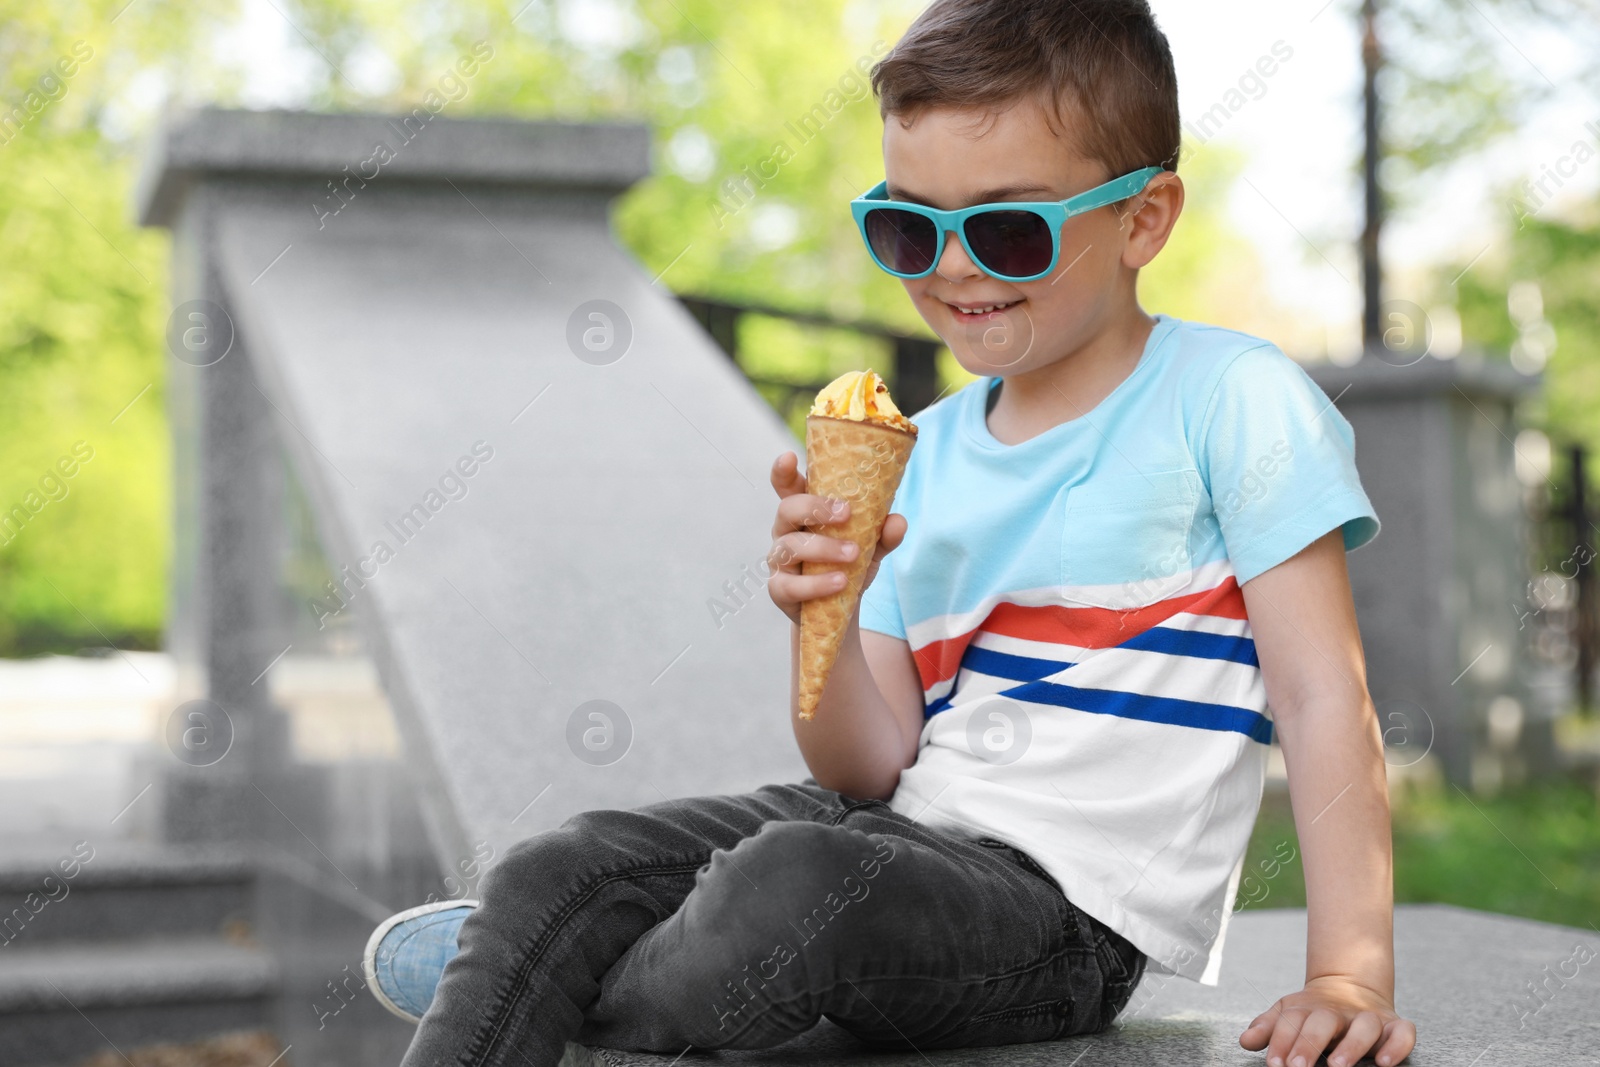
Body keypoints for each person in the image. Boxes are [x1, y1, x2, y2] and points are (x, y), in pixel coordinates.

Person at [366, 2, 1419, 1066]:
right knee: (562, 865)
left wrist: (1347, 971)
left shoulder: (1231, 400)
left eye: (1008, 228)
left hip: (1063, 916)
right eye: (910, 226)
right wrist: (821, 608)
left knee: (786, 888)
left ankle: (531, 979)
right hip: (888, 831)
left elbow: (1322, 693)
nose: (953, 267)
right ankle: (534, 953)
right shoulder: (922, 446)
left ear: (1142, 219)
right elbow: (869, 763)